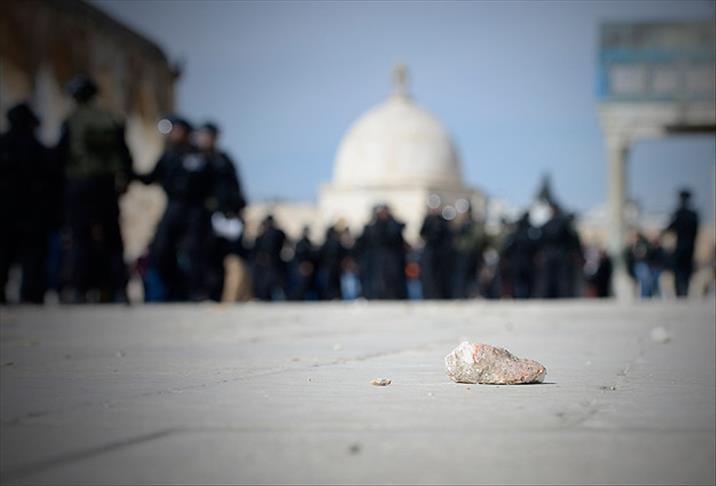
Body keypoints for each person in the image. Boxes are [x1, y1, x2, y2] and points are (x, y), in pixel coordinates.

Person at [57, 75, 132, 303]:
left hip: (80, 185)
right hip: (107, 186)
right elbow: (125, 155)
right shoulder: (111, 119)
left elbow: (61, 156)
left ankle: (78, 290)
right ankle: (119, 291)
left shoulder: (72, 120)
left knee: (79, 239)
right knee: (113, 240)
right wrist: (124, 180)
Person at [134, 116, 215, 301]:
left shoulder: (199, 156)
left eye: (177, 130)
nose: (173, 134)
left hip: (195, 208)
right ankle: (168, 291)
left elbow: (212, 182)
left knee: (194, 250)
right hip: (173, 206)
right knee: (161, 248)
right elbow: (151, 177)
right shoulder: (168, 155)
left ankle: (197, 291)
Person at [0, 103, 61, 304]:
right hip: (33, 216)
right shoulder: (40, 150)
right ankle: (32, 295)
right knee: (33, 259)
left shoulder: (5, 146)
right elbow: (54, 186)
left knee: (5, 255)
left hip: (8, 214)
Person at [194, 122, 247, 301]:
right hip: (201, 217)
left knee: (226, 257)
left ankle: (224, 294)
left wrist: (237, 209)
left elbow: (234, 187)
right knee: (204, 256)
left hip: (224, 215)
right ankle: (204, 292)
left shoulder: (223, 160)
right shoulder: (194, 159)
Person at [356, 204, 407, 300]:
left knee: (393, 278)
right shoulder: (371, 227)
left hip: (392, 258)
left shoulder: (393, 225)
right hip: (376, 259)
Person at [662, 189, 699, 297]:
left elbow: (669, 228)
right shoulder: (693, 214)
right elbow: (696, 232)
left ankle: (679, 293)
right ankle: (684, 292)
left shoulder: (679, 213)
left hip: (680, 247)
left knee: (679, 271)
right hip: (690, 247)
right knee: (685, 271)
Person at [534, 202, 572, 299]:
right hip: (560, 254)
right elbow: (570, 240)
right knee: (560, 278)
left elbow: (540, 241)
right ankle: (562, 295)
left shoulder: (547, 225)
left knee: (549, 277)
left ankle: (548, 296)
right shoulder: (563, 224)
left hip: (549, 254)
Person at [451, 206, 488, 299]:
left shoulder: (474, 224)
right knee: (461, 276)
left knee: (472, 276)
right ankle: (460, 295)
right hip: (462, 254)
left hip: (472, 254)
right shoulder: (459, 224)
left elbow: (479, 238)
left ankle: (471, 294)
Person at [251, 215, 288, 301]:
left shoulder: (263, 235)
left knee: (268, 284)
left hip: (268, 264)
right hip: (274, 263)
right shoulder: (278, 233)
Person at [419, 205, 453, 299]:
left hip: (441, 254)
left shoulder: (443, 221)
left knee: (440, 276)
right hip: (429, 252)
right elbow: (422, 233)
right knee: (428, 276)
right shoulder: (427, 220)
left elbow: (447, 236)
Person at [501, 212, 537, 299]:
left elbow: (507, 249)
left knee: (519, 283)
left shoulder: (515, 235)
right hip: (527, 263)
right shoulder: (530, 234)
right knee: (526, 283)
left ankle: (520, 297)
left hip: (517, 264)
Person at [318, 223, 348, 300]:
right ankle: (335, 296)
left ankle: (331, 296)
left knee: (330, 283)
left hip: (330, 266)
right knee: (334, 282)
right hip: (335, 266)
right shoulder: (336, 241)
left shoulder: (328, 242)